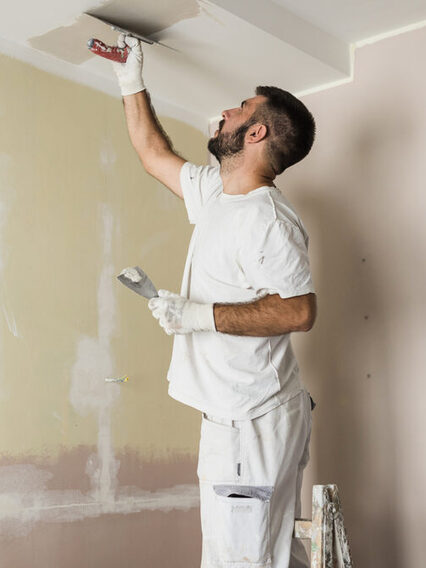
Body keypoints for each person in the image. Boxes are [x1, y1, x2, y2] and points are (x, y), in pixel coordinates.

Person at [111, 33, 318, 568]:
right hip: (228, 415)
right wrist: (132, 81)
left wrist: (197, 316)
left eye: (240, 109)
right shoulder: (216, 196)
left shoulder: (269, 219)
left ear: (256, 132)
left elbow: (300, 310)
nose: (224, 112)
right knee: (244, 554)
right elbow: (153, 154)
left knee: (245, 560)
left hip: (253, 421)